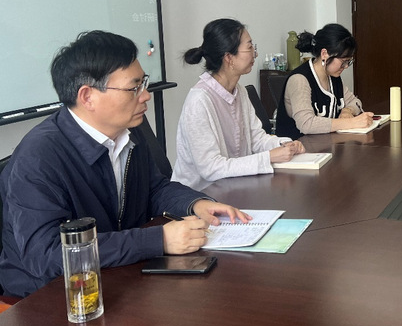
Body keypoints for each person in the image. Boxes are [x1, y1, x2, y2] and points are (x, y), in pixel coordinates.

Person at [0, 31, 250, 298]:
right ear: (87, 97)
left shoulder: (129, 130)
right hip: (47, 297)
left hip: (114, 274)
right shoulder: (39, 157)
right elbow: (46, 255)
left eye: (144, 83)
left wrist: (196, 203)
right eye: (134, 88)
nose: (146, 96)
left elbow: (154, 189)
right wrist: (158, 240)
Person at [171, 19, 304, 190]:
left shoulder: (239, 91)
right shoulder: (199, 101)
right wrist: (269, 157)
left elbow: (256, 139)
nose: (255, 53)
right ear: (229, 57)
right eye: (249, 47)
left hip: (234, 186)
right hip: (199, 195)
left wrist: (284, 144)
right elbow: (211, 168)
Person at [276, 23, 374, 139]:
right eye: (343, 61)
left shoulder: (333, 76)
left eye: (349, 61)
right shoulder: (300, 80)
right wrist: (351, 123)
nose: (346, 66)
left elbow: (355, 101)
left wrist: (347, 111)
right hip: (297, 146)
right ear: (324, 54)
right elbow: (306, 124)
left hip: (325, 144)